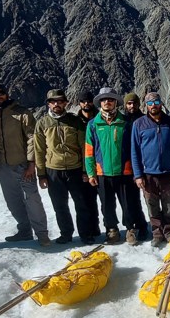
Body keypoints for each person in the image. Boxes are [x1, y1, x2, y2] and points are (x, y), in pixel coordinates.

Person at [0, 83, 50, 247]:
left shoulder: (21, 113)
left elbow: (32, 138)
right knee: (12, 200)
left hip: (22, 164)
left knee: (32, 199)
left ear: (6, 94)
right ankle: (24, 230)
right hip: (3, 166)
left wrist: (31, 163)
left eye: (0, 94)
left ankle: (42, 234)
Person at [85, 87, 146, 245]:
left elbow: (134, 148)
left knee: (128, 203)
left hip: (124, 172)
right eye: (104, 100)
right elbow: (89, 151)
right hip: (102, 172)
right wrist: (91, 173)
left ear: (116, 103)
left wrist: (136, 170)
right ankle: (111, 230)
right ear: (99, 103)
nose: (107, 102)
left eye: (110, 100)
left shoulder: (125, 122)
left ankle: (131, 229)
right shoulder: (93, 124)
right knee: (107, 205)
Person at [34, 89, 92, 245]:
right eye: (53, 101)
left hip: (75, 169)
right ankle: (66, 233)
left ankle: (85, 234)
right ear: (48, 104)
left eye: (60, 101)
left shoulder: (75, 121)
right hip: (53, 170)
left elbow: (84, 147)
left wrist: (86, 170)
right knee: (60, 206)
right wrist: (41, 174)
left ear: (65, 103)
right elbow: (39, 150)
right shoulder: (42, 123)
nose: (56, 104)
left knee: (81, 203)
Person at [131, 92, 170, 247]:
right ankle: (157, 233)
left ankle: (168, 232)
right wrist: (138, 175)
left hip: (167, 173)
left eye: (156, 102)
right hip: (147, 175)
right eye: (150, 103)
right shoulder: (139, 124)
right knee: (152, 206)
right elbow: (135, 151)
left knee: (168, 207)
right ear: (146, 106)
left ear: (161, 103)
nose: (153, 105)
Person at [121, 91, 150, 242]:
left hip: (144, 164)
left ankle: (143, 226)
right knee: (128, 199)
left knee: (145, 198)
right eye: (129, 103)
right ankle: (130, 228)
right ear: (125, 105)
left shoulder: (145, 120)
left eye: (134, 103)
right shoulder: (121, 121)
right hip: (126, 166)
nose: (132, 106)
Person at [76, 91, 101, 238]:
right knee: (85, 201)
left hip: (101, 167)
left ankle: (100, 228)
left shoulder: (101, 119)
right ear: (79, 103)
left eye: (89, 101)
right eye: (83, 101)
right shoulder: (75, 121)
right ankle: (87, 232)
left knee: (104, 202)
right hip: (82, 168)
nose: (86, 104)